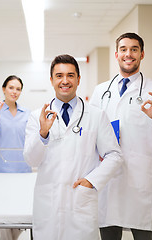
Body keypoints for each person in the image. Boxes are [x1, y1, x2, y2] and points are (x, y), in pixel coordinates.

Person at [23, 54, 123, 240]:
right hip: (49, 202)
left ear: (78, 79)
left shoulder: (96, 115)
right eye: (59, 76)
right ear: (51, 80)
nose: (65, 81)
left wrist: (91, 181)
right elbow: (31, 160)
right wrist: (43, 134)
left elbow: (114, 155)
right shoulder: (37, 116)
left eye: (70, 75)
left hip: (81, 201)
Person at [90, 32, 152, 240]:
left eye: (134, 49)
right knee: (108, 233)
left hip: (137, 178)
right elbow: (89, 130)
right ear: (116, 54)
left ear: (142, 54)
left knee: (143, 233)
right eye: (123, 49)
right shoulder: (101, 91)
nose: (128, 54)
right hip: (108, 177)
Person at [0, 75, 31, 240]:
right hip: (1, 170)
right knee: (4, 211)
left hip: (23, 169)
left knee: (20, 213)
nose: (14, 92)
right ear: (4, 89)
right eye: (11, 88)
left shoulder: (27, 113)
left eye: (18, 89)